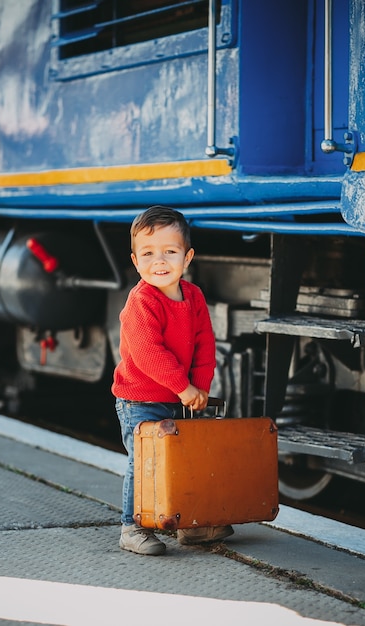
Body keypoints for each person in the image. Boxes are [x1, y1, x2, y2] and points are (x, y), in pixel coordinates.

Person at [112, 205, 233, 556]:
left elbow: (204, 344)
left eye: (170, 251)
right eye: (148, 253)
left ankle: (188, 525)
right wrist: (184, 387)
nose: (159, 261)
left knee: (180, 462)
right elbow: (150, 354)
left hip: (177, 397)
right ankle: (131, 527)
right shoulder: (141, 302)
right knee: (145, 461)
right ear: (135, 261)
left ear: (188, 257)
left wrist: (200, 386)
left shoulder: (193, 297)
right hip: (140, 400)